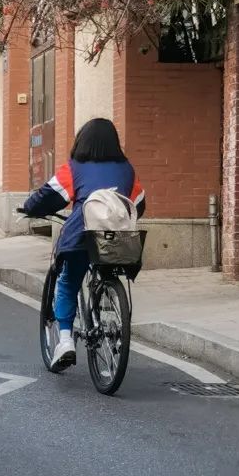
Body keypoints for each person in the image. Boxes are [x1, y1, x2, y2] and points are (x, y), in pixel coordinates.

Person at [19, 117, 145, 372]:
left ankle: (65, 340)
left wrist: (30, 208)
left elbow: (49, 195)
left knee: (67, 281)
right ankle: (108, 302)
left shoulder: (75, 167)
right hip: (117, 238)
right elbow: (139, 203)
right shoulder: (127, 169)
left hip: (81, 235)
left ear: (82, 141)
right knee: (107, 269)